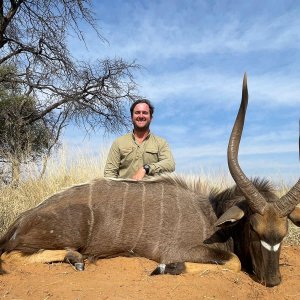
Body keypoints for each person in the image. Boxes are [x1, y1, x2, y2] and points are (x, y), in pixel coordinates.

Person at [104, 99, 175, 180]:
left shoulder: (161, 142)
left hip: (151, 191)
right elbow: (109, 174)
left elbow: (170, 164)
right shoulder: (119, 142)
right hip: (124, 191)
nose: (141, 116)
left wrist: (146, 168)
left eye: (145, 113)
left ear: (151, 118)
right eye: (137, 113)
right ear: (131, 117)